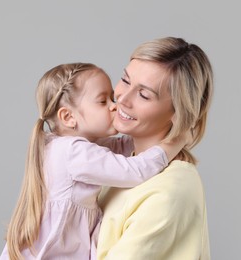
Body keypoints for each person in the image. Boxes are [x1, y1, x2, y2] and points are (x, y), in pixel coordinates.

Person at [0, 62, 188, 260]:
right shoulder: (74, 153)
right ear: (68, 117)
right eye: (102, 101)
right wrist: (176, 141)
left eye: (112, 97)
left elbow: (123, 146)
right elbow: (134, 171)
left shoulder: (64, 146)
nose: (114, 105)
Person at [96, 36, 214, 260]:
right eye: (125, 80)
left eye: (144, 95)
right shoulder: (120, 164)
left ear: (178, 112)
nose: (123, 98)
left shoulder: (169, 191)